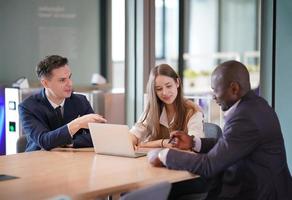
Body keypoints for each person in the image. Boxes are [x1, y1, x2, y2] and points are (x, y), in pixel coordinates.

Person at [149, 60, 292, 200]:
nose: (213, 97)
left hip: (260, 193)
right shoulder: (256, 105)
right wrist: (193, 142)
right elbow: (230, 144)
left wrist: (164, 155)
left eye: (215, 90)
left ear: (234, 89)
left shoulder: (245, 117)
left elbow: (209, 165)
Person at [19, 55, 107, 151]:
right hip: (38, 160)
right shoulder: (28, 107)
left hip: (71, 159)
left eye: (69, 77)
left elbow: (99, 135)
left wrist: (70, 142)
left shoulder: (80, 101)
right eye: (62, 80)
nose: (70, 83)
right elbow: (44, 141)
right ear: (45, 83)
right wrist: (78, 123)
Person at [130, 63, 204, 148]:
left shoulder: (193, 111)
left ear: (177, 83)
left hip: (183, 160)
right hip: (157, 159)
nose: (164, 93)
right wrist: (131, 140)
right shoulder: (153, 111)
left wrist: (153, 144)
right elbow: (133, 134)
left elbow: (193, 144)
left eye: (168, 86)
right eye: (159, 89)